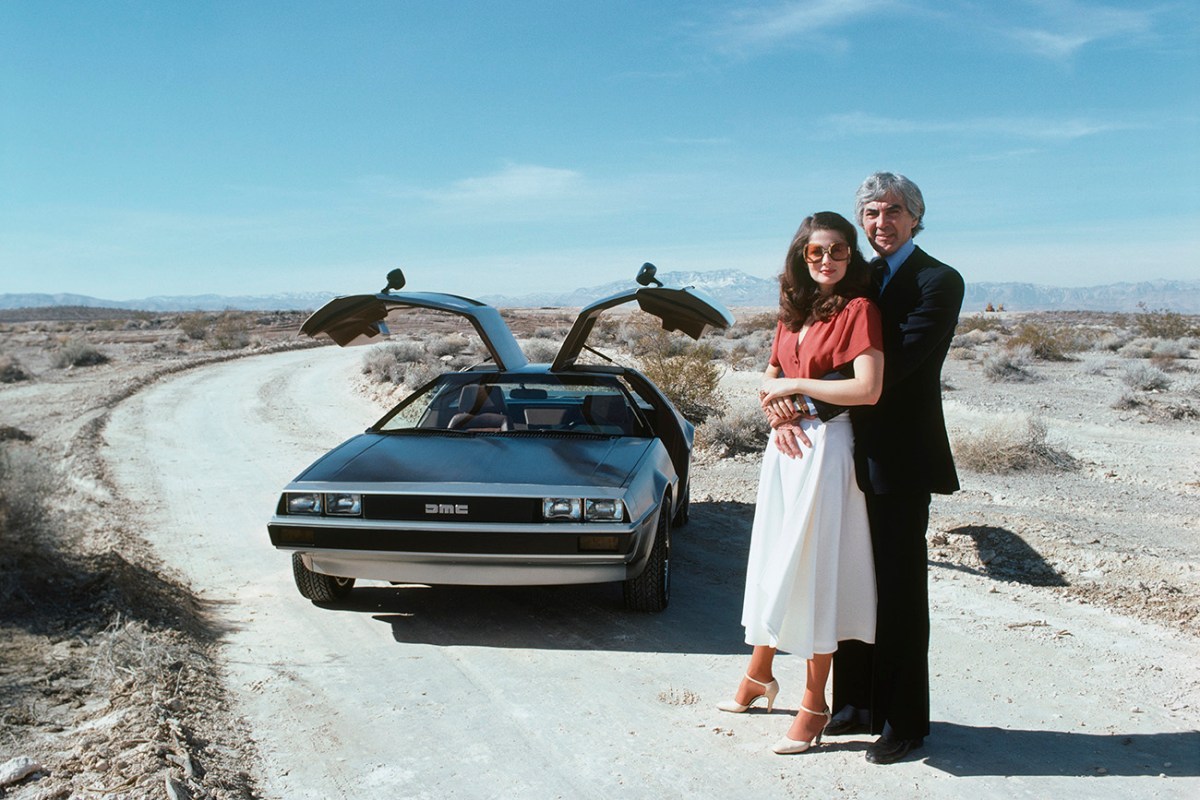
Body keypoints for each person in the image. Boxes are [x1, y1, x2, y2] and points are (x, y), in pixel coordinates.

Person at [717, 211, 883, 756]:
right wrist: (780, 412)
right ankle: (760, 673)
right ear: (801, 257)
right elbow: (768, 376)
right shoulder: (792, 313)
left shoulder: (858, 309)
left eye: (838, 251)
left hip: (829, 453)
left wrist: (793, 386)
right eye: (816, 253)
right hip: (786, 451)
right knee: (774, 560)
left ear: (850, 256)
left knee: (814, 568)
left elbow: (867, 389)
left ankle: (815, 701)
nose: (827, 260)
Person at [822, 172, 964, 765]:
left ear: (915, 217)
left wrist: (803, 394)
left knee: (900, 589)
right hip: (841, 450)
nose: (882, 223)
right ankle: (856, 703)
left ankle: (906, 721)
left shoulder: (939, 280)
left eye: (894, 212)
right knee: (852, 576)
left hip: (900, 459)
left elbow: (898, 363)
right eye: (872, 213)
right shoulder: (857, 276)